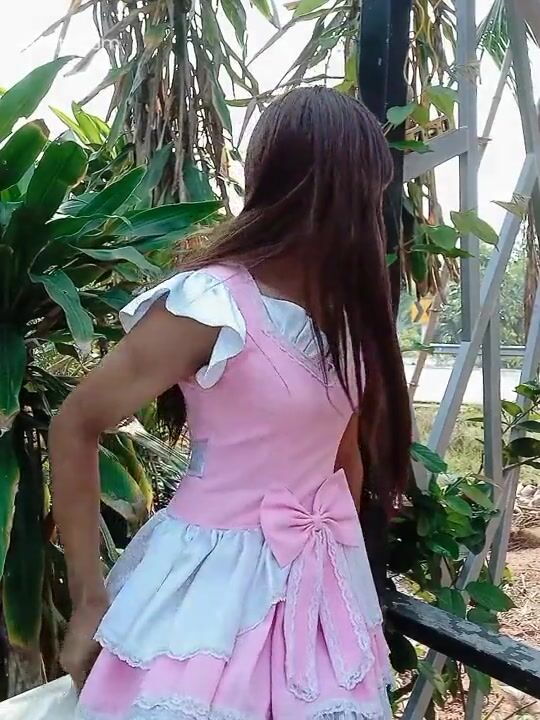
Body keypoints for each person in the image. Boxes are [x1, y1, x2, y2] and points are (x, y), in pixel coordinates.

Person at [50, 86, 411, 720]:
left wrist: (343, 581)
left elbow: (342, 462)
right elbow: (75, 423)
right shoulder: (212, 305)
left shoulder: (348, 321)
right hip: (206, 590)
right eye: (369, 189)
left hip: (316, 593)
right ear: (323, 189)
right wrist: (88, 600)